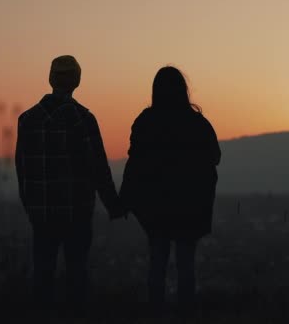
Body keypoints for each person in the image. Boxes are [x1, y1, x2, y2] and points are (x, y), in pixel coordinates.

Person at [15, 55, 125, 315]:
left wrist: (30, 204)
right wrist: (113, 204)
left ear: (51, 79)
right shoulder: (83, 118)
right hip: (76, 211)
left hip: (41, 213)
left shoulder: (27, 120)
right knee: (76, 274)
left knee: (43, 274)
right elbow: (99, 167)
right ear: (77, 81)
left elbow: (22, 168)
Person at [120, 66, 221, 315]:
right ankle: (185, 313)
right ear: (183, 91)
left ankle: (156, 313)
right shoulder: (198, 124)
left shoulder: (145, 122)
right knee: (186, 266)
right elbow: (215, 157)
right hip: (190, 208)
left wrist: (124, 200)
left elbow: (134, 164)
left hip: (156, 209)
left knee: (157, 263)